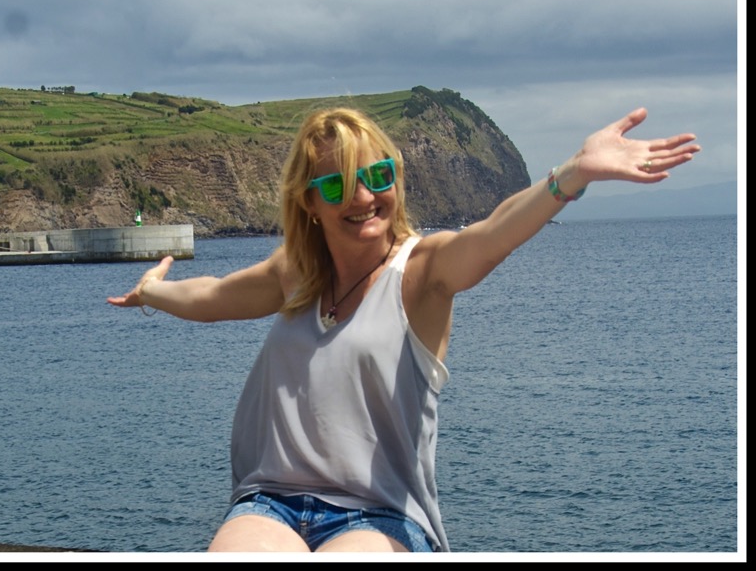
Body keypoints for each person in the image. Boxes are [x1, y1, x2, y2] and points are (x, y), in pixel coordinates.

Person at [107, 106, 699, 553]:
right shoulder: (297, 273)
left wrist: (571, 175)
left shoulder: (422, 273)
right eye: (337, 186)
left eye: (378, 175)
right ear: (309, 202)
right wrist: (152, 293)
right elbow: (213, 295)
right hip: (271, 501)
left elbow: (490, 236)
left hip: (380, 516)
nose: (364, 197)